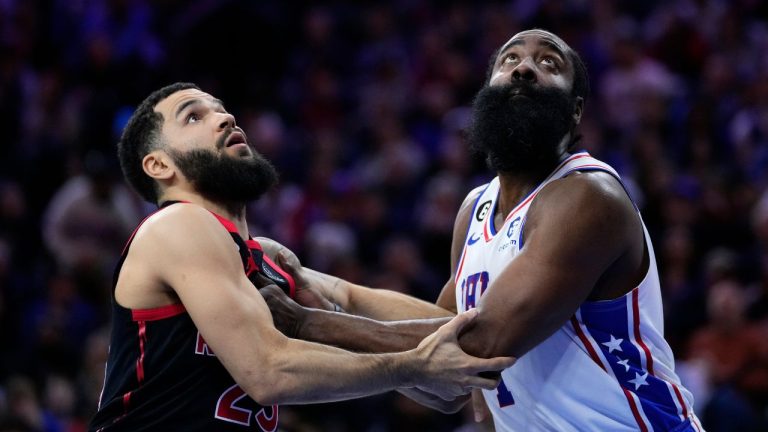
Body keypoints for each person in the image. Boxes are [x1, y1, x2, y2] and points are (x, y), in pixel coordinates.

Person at [262, 29, 704, 431]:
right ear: (486, 89)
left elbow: (475, 345)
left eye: (549, 64)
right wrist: (321, 291)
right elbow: (443, 380)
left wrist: (307, 324)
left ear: (575, 111)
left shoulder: (588, 196)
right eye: (509, 60)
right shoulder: (475, 208)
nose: (525, 68)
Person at [88, 82, 515, 431]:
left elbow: (351, 300)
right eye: (194, 116)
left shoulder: (264, 257)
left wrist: (485, 336)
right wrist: (412, 366)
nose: (225, 117)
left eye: (220, 107)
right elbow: (268, 371)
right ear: (159, 165)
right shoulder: (176, 225)